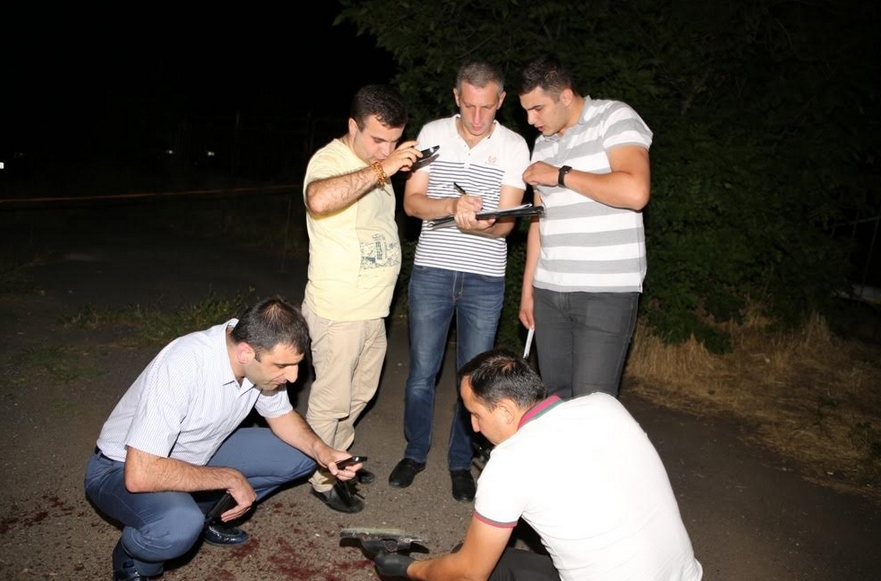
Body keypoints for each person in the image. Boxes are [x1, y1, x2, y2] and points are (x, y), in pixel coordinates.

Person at [84, 297, 360, 581]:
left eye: (297, 364)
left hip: (199, 452)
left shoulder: (258, 354)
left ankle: (208, 515)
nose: (292, 376)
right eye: (282, 365)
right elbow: (140, 474)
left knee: (302, 455)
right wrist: (228, 478)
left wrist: (323, 450)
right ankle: (134, 556)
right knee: (178, 525)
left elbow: (281, 416)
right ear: (245, 353)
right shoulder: (183, 365)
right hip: (120, 467)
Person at [372, 348, 704, 581]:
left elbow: (469, 573)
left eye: (475, 413)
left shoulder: (509, 464)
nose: (473, 426)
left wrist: (408, 568)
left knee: (462, 566)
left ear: (505, 410)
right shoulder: (605, 405)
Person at [388, 61, 530, 503]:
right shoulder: (432, 133)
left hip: (485, 279)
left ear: (501, 100)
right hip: (432, 271)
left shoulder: (514, 145)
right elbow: (413, 203)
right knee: (421, 373)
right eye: (469, 105)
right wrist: (452, 206)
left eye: (486, 107)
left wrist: (481, 223)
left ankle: (459, 462)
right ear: (456, 96)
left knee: (475, 379)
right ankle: (414, 452)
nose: (477, 116)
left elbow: (506, 225)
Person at [302, 84, 423, 513]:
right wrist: (383, 167)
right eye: (377, 139)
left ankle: (339, 459)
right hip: (339, 310)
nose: (385, 150)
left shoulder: (377, 165)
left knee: (358, 396)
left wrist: (384, 166)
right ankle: (320, 478)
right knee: (331, 401)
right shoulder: (331, 161)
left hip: (373, 309)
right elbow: (318, 199)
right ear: (353, 126)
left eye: (394, 141)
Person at [517, 54, 653, 399]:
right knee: (556, 398)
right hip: (549, 291)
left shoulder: (615, 117)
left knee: (592, 403)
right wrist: (528, 288)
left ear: (565, 95)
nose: (531, 120)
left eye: (538, 109)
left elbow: (635, 192)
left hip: (604, 291)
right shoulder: (543, 143)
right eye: (526, 110)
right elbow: (539, 220)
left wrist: (560, 175)